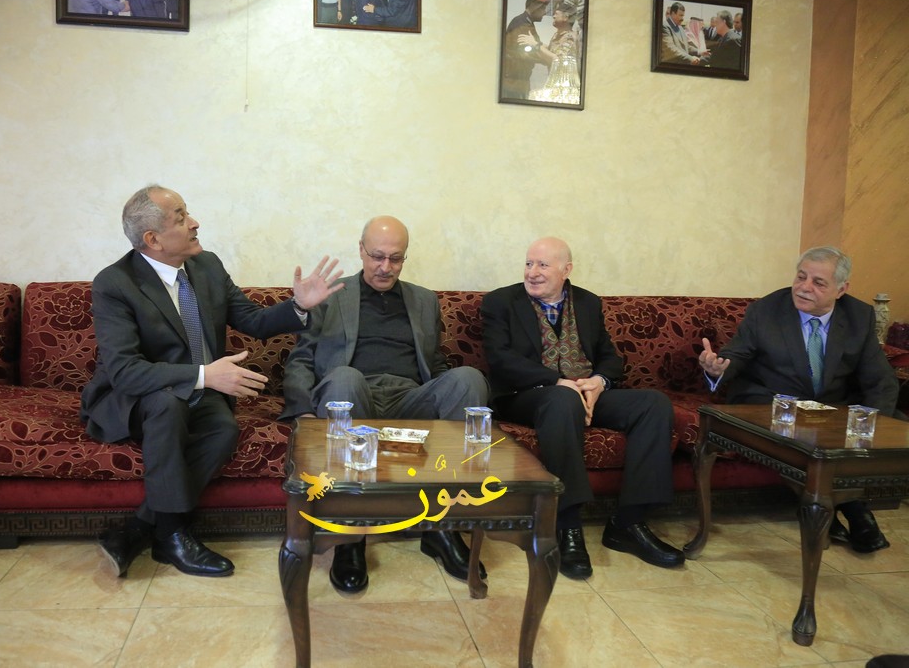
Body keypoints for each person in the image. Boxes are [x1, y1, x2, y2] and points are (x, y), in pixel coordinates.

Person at [82, 185, 342, 578]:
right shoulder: (115, 283)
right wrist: (206, 375)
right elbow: (125, 371)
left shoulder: (207, 266)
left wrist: (298, 307)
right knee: (167, 405)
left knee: (223, 429)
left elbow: (252, 320)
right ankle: (172, 537)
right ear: (153, 239)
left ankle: (140, 527)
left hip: (199, 395)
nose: (195, 222)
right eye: (181, 217)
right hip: (133, 397)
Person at [282, 215, 490, 593]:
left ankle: (443, 528)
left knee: (469, 378)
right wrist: (302, 413)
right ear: (361, 251)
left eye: (395, 258)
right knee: (346, 378)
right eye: (377, 256)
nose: (385, 267)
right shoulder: (331, 294)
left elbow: (436, 365)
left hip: (409, 399)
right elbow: (301, 359)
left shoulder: (424, 300)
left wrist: (449, 390)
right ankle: (350, 535)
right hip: (353, 394)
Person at [481, 237, 683, 581]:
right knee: (562, 400)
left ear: (566, 270)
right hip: (528, 395)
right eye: (529, 263)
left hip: (585, 392)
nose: (532, 272)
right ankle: (567, 524)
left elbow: (609, 356)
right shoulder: (501, 301)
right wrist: (558, 382)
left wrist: (599, 381)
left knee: (653, 404)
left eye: (543, 265)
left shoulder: (588, 303)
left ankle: (629, 523)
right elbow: (500, 360)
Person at [698, 246, 900, 553]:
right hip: (772, 399)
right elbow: (736, 354)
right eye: (801, 276)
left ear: (841, 289)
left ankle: (837, 505)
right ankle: (849, 508)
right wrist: (718, 369)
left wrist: (875, 423)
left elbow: (880, 379)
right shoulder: (767, 309)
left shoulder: (859, 316)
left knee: (880, 424)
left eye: (818, 282)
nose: (804, 287)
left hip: (831, 406)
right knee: (796, 429)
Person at [501, 0, 551, 100]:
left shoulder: (526, 22)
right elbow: (525, 53)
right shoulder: (522, 24)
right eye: (543, 9)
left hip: (518, 82)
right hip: (513, 84)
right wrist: (548, 59)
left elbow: (534, 45)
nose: (544, 13)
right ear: (534, 6)